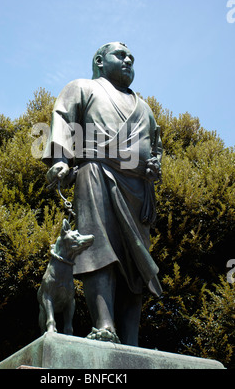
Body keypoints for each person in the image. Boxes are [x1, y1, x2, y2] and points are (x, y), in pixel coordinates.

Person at [42, 42, 162, 346]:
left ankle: (131, 337)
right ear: (99, 60)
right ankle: (104, 325)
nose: (128, 59)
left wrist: (154, 166)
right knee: (99, 247)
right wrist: (59, 159)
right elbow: (62, 120)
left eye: (131, 57)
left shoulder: (143, 106)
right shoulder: (82, 87)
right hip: (95, 172)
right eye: (120, 55)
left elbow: (156, 145)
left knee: (137, 263)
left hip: (138, 189)